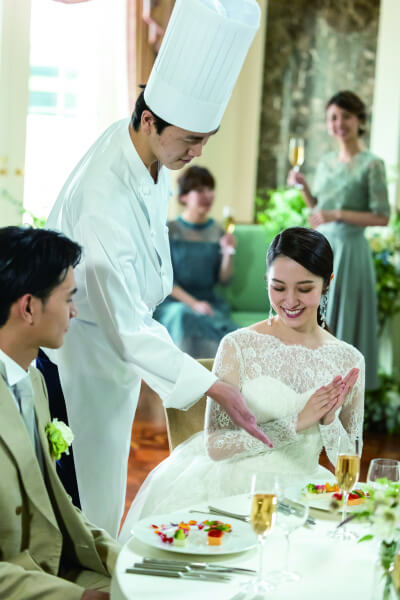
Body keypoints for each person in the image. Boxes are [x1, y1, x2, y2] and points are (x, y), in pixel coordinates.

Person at [41, 0, 271, 538]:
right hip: (84, 356)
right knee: (86, 496)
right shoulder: (103, 195)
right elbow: (124, 322)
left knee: (104, 487)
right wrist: (213, 386)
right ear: (149, 120)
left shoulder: (150, 155)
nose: (197, 152)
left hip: (116, 350)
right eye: (190, 139)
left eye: (205, 139)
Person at [119, 227, 364, 539]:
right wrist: (296, 422)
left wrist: (329, 420)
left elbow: (349, 462)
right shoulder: (238, 346)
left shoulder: (348, 360)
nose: (290, 301)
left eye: (304, 289)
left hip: (303, 495)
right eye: (278, 287)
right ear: (266, 281)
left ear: (327, 283)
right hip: (232, 489)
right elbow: (216, 446)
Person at [0, 226, 119, 600]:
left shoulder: (33, 379)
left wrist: (129, 561)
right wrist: (77, 598)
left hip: (56, 567)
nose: (74, 311)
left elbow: (56, 504)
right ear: (29, 307)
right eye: (68, 298)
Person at [288, 90, 390, 390]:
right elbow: (319, 210)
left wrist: (337, 214)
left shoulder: (372, 164)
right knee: (320, 314)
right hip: (323, 249)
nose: (339, 123)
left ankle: (347, 391)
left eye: (346, 116)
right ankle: (317, 387)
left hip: (351, 251)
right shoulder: (326, 162)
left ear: (360, 120)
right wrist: (304, 188)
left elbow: (382, 217)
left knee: (345, 318)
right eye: (333, 117)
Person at [154, 165, 237, 358]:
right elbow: (165, 279)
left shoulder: (218, 231)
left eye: (210, 189)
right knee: (183, 315)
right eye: (199, 190)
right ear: (183, 196)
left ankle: (213, 372)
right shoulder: (169, 230)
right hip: (175, 302)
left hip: (209, 302)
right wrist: (194, 304)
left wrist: (228, 253)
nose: (208, 195)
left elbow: (225, 280)